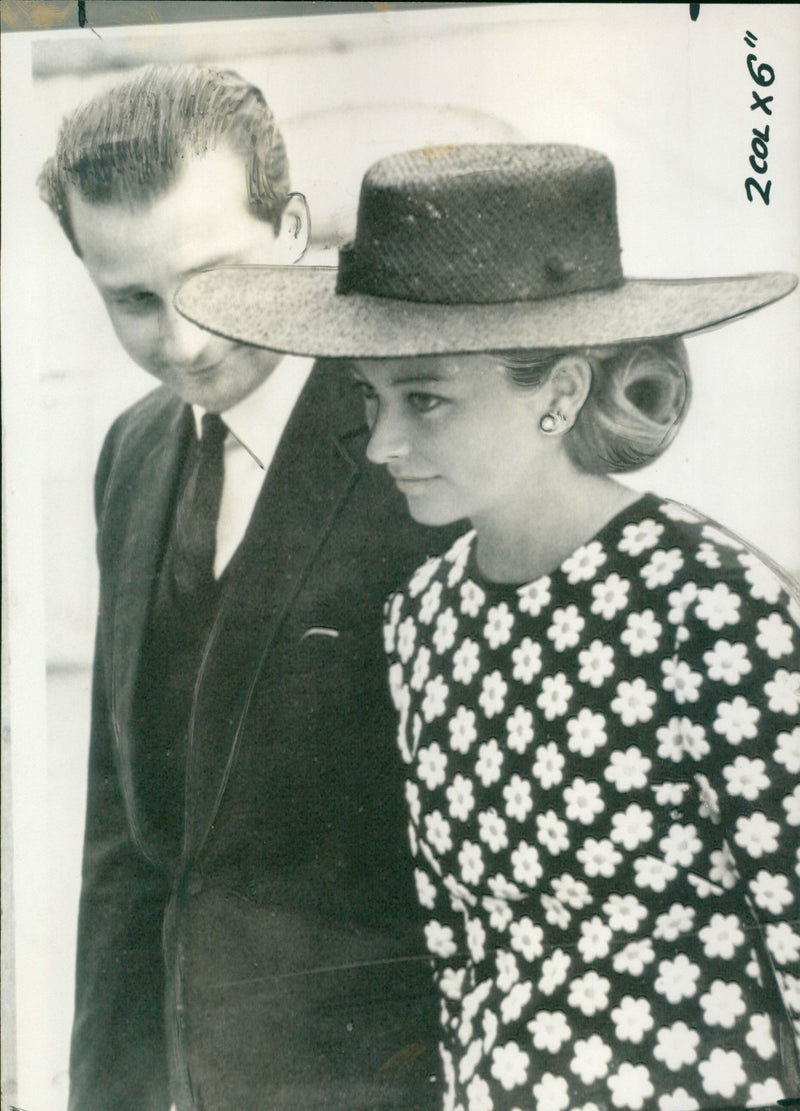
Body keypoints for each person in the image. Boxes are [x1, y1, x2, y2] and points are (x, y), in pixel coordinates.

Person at [176, 144, 800, 1111]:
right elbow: (459, 953)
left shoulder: (707, 603)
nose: (382, 444)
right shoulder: (425, 616)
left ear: (558, 394)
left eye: (425, 398)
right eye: (372, 400)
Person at [39, 65, 459, 1111]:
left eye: (209, 282)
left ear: (293, 231)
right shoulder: (131, 453)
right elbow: (122, 841)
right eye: (130, 300)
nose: (180, 341)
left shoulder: (429, 442)